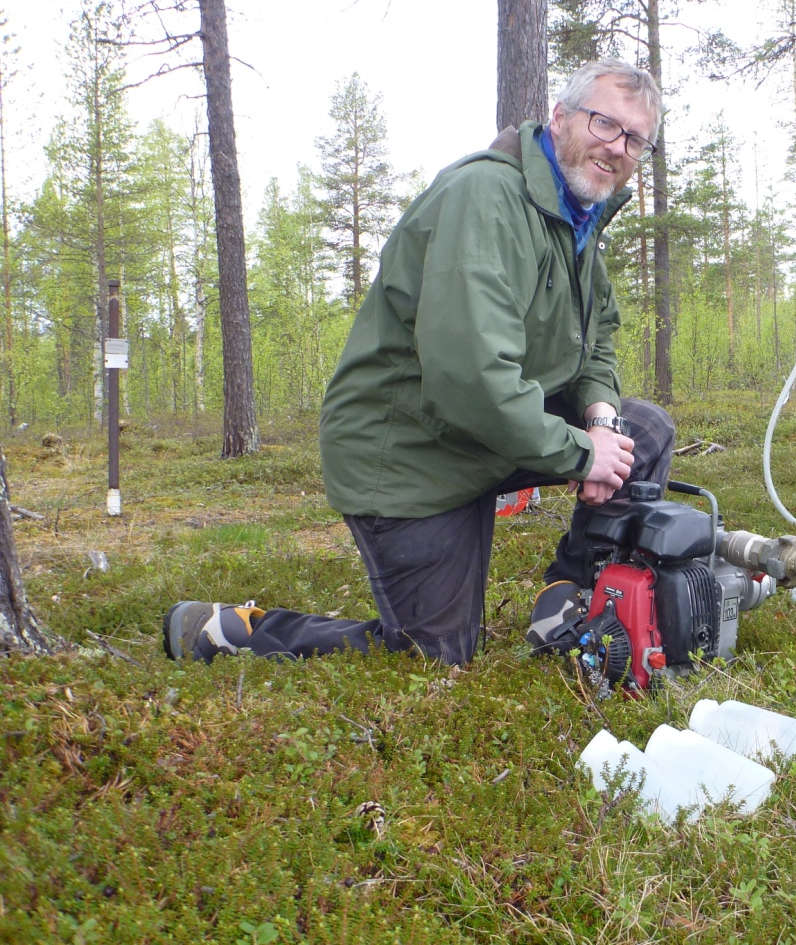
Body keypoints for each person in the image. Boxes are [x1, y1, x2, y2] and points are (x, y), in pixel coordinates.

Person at [163, 59, 674, 666]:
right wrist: (579, 453)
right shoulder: (486, 198)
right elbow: (470, 379)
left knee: (638, 432)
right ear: (560, 118)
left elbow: (598, 338)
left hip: (488, 436)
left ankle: (570, 605)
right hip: (410, 454)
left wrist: (600, 421)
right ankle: (229, 630)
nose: (616, 148)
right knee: (432, 659)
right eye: (604, 124)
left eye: (634, 139)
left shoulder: (577, 218)